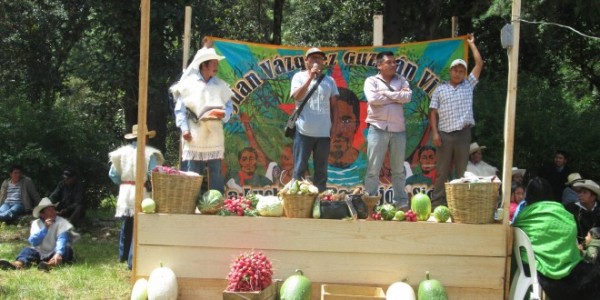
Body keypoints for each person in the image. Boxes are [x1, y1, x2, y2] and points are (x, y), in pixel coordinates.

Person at [512, 177, 600, 299]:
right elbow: (570, 234)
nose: (580, 194)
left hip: (538, 270)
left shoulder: (524, 215)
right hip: (569, 272)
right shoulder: (561, 210)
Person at [429, 34, 483, 207]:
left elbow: (480, 64)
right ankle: (438, 202)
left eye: (462, 71)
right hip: (444, 134)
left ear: (464, 74)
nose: (458, 74)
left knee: (461, 171)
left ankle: (459, 204)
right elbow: (432, 112)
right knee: (442, 171)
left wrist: (472, 45)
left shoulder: (468, 85)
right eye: (455, 70)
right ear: (450, 71)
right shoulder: (440, 89)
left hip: (463, 134)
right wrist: (435, 133)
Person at [171, 47, 234, 194]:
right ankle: (192, 204)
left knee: (216, 173)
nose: (216, 67)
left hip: (214, 134)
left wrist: (223, 114)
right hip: (194, 133)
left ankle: (216, 204)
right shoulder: (189, 85)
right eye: (213, 63)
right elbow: (180, 110)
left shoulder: (221, 86)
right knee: (193, 173)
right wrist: (185, 129)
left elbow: (229, 107)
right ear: (204, 65)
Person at [109, 124, 164, 270]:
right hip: (141, 189)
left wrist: (124, 182)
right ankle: (132, 259)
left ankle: (123, 254)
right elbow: (153, 174)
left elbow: (113, 174)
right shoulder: (150, 153)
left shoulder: (120, 153)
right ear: (145, 137)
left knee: (126, 222)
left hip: (125, 189)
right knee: (139, 224)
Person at [363, 51, 412, 208]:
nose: (393, 65)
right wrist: (396, 96)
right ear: (379, 65)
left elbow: (408, 97)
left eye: (394, 62)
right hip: (377, 128)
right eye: (389, 62)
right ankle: (370, 204)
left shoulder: (402, 80)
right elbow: (373, 99)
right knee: (373, 169)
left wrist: (385, 94)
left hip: (398, 129)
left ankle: (401, 203)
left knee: (398, 170)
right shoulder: (371, 81)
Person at [290, 47, 339, 192]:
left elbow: (335, 106)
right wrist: (310, 77)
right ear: (306, 61)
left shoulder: (330, 80)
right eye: (313, 58)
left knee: (321, 172)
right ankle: (298, 205)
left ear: (323, 62)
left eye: (319, 58)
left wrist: (335, 126)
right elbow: (297, 97)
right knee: (299, 169)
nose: (316, 60)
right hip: (303, 131)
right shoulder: (298, 77)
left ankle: (320, 204)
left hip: (324, 133)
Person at [0, 198, 78, 272]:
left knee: (67, 250)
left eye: (53, 209)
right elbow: (34, 241)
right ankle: (18, 264)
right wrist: (45, 229)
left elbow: (62, 238)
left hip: (55, 252)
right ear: (42, 214)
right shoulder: (36, 223)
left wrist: (59, 253)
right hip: (40, 252)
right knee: (27, 250)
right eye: (49, 210)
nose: (53, 212)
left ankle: (50, 264)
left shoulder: (61, 222)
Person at [328, 87, 367, 187]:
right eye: (331, 120)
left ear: (357, 125)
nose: (338, 130)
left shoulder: (369, 165)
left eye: (346, 121)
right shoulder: (309, 166)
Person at [565, 179, 600, 246]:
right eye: (580, 192)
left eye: (584, 192)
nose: (580, 194)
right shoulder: (571, 208)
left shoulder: (598, 209)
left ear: (593, 197)